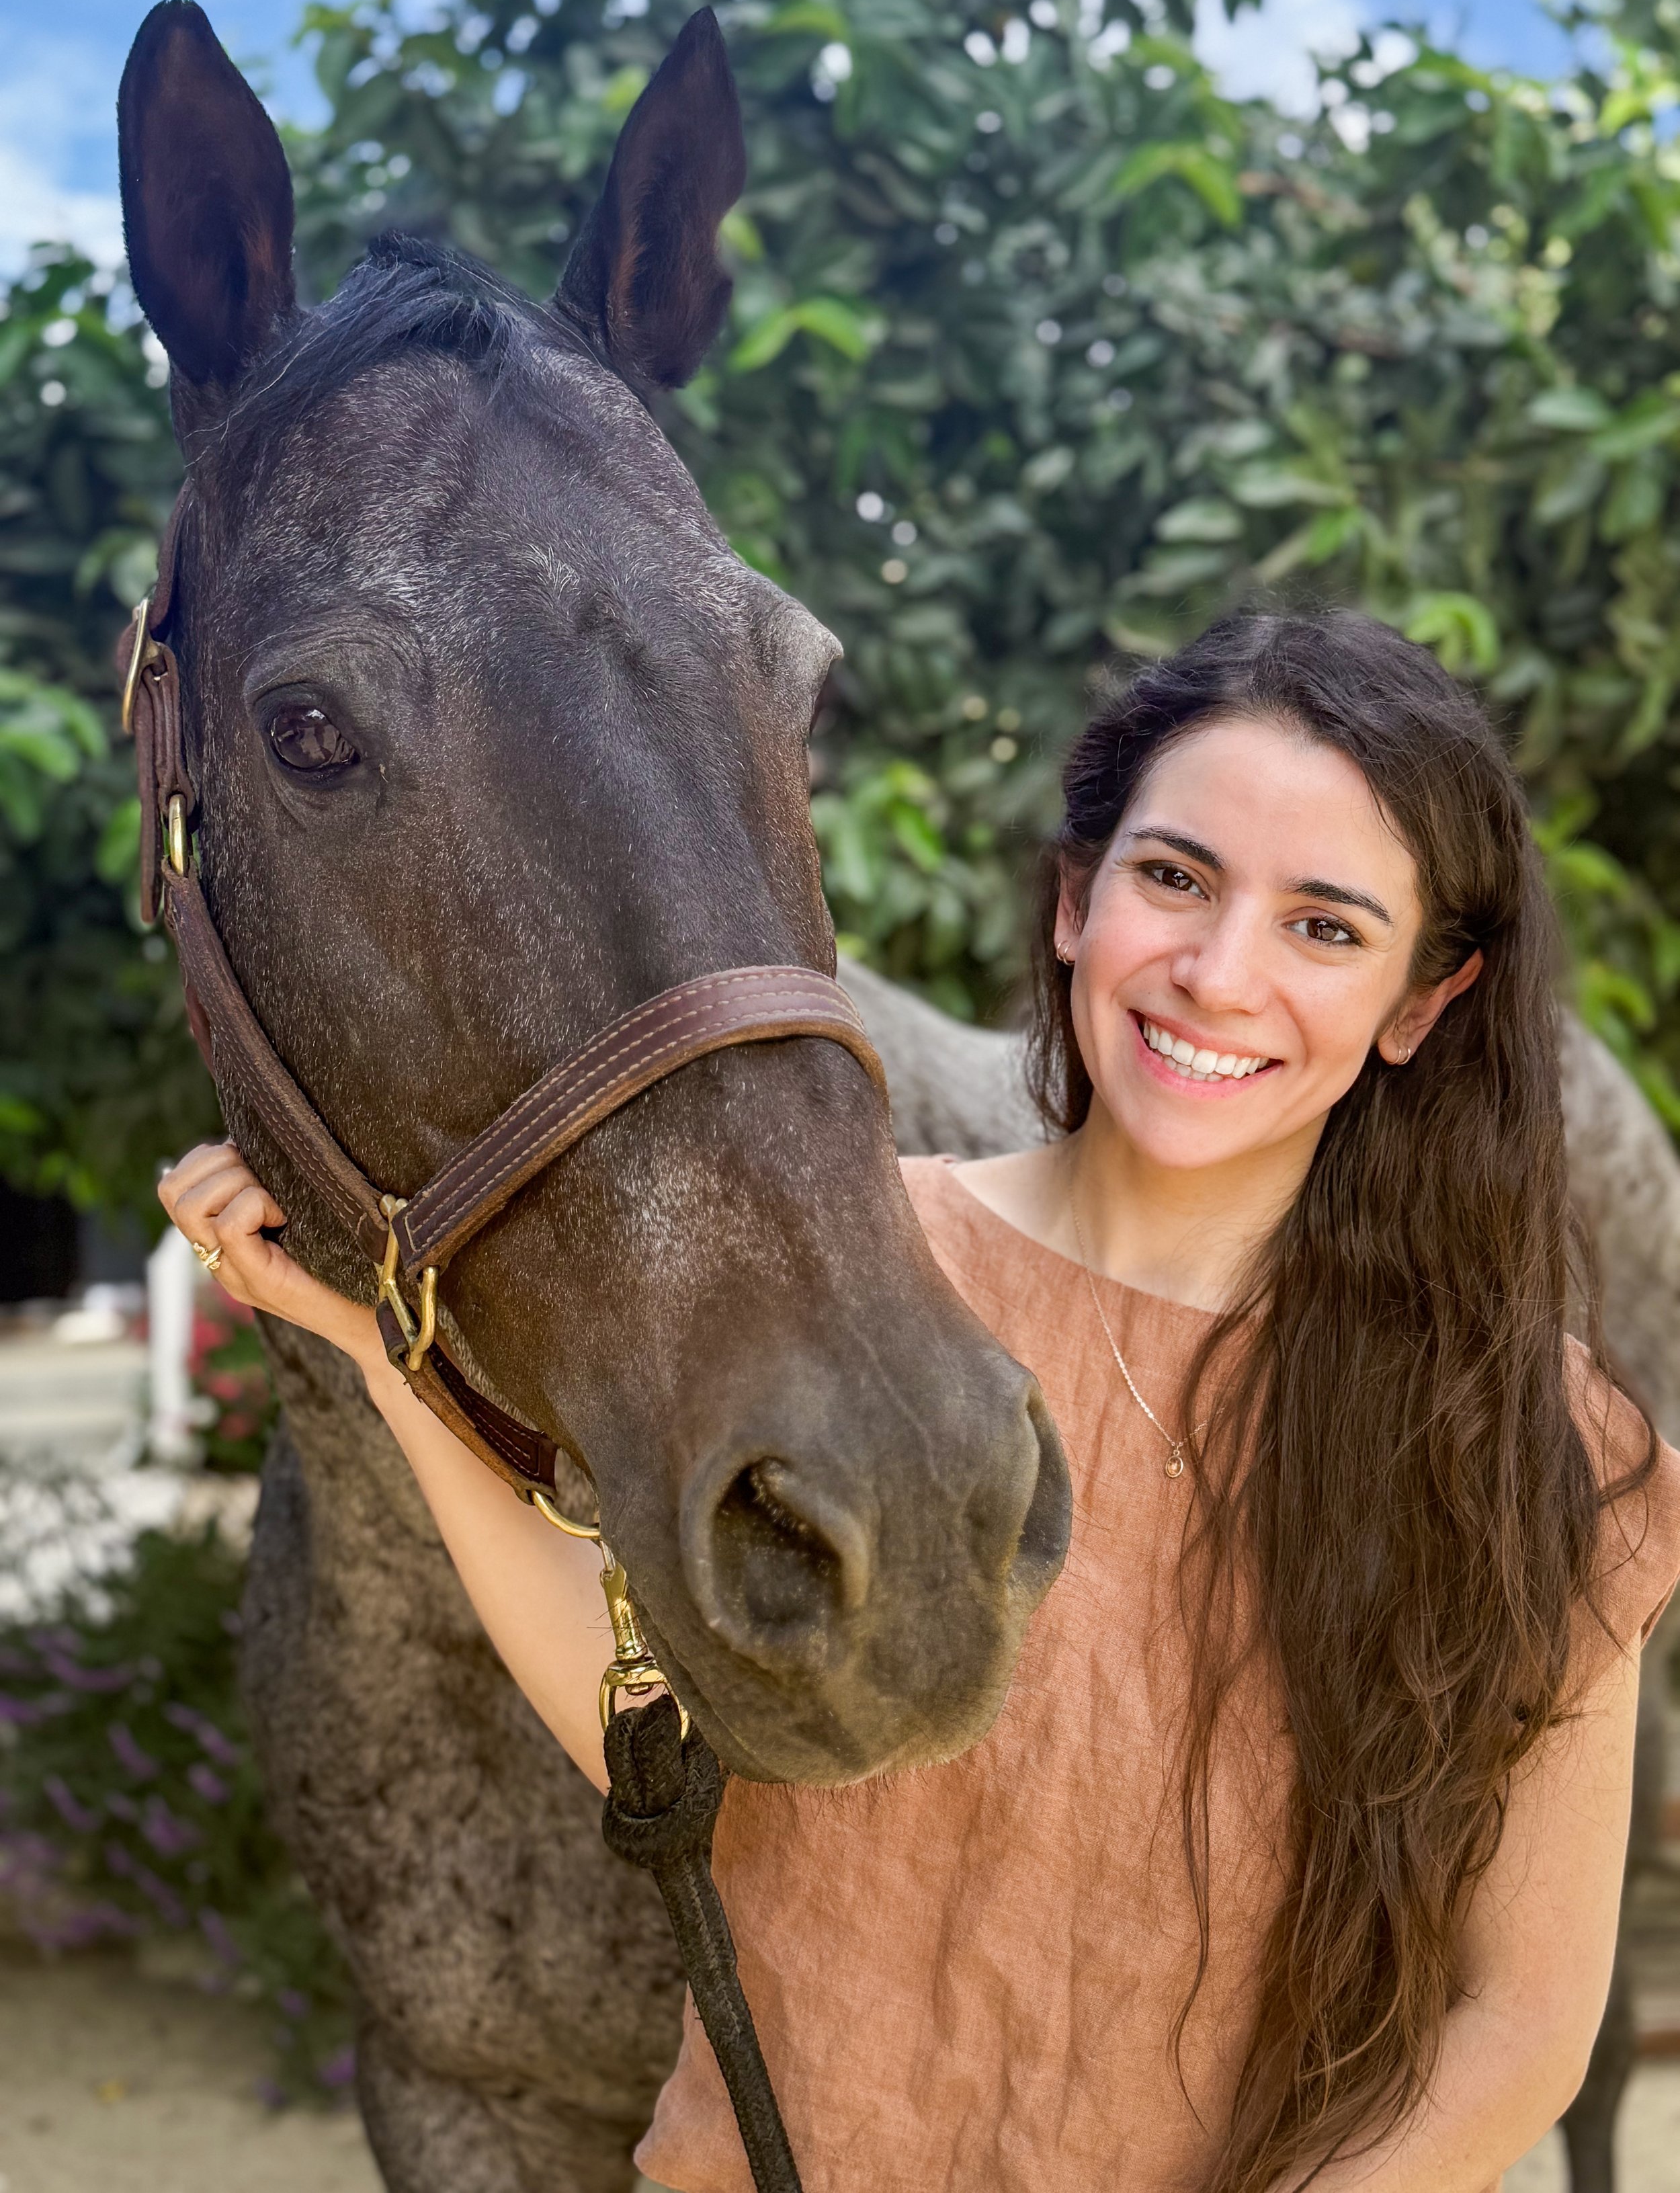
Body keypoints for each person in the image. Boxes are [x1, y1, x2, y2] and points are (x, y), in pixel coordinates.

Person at [161, 612, 1680, 2193]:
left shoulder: (1534, 1445)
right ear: (1076, 902)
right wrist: (372, 1342)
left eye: (1322, 926)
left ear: (1417, 1005)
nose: (1217, 975)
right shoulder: (855, 1296)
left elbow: (1518, 2017)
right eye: (1172, 878)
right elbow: (652, 1736)